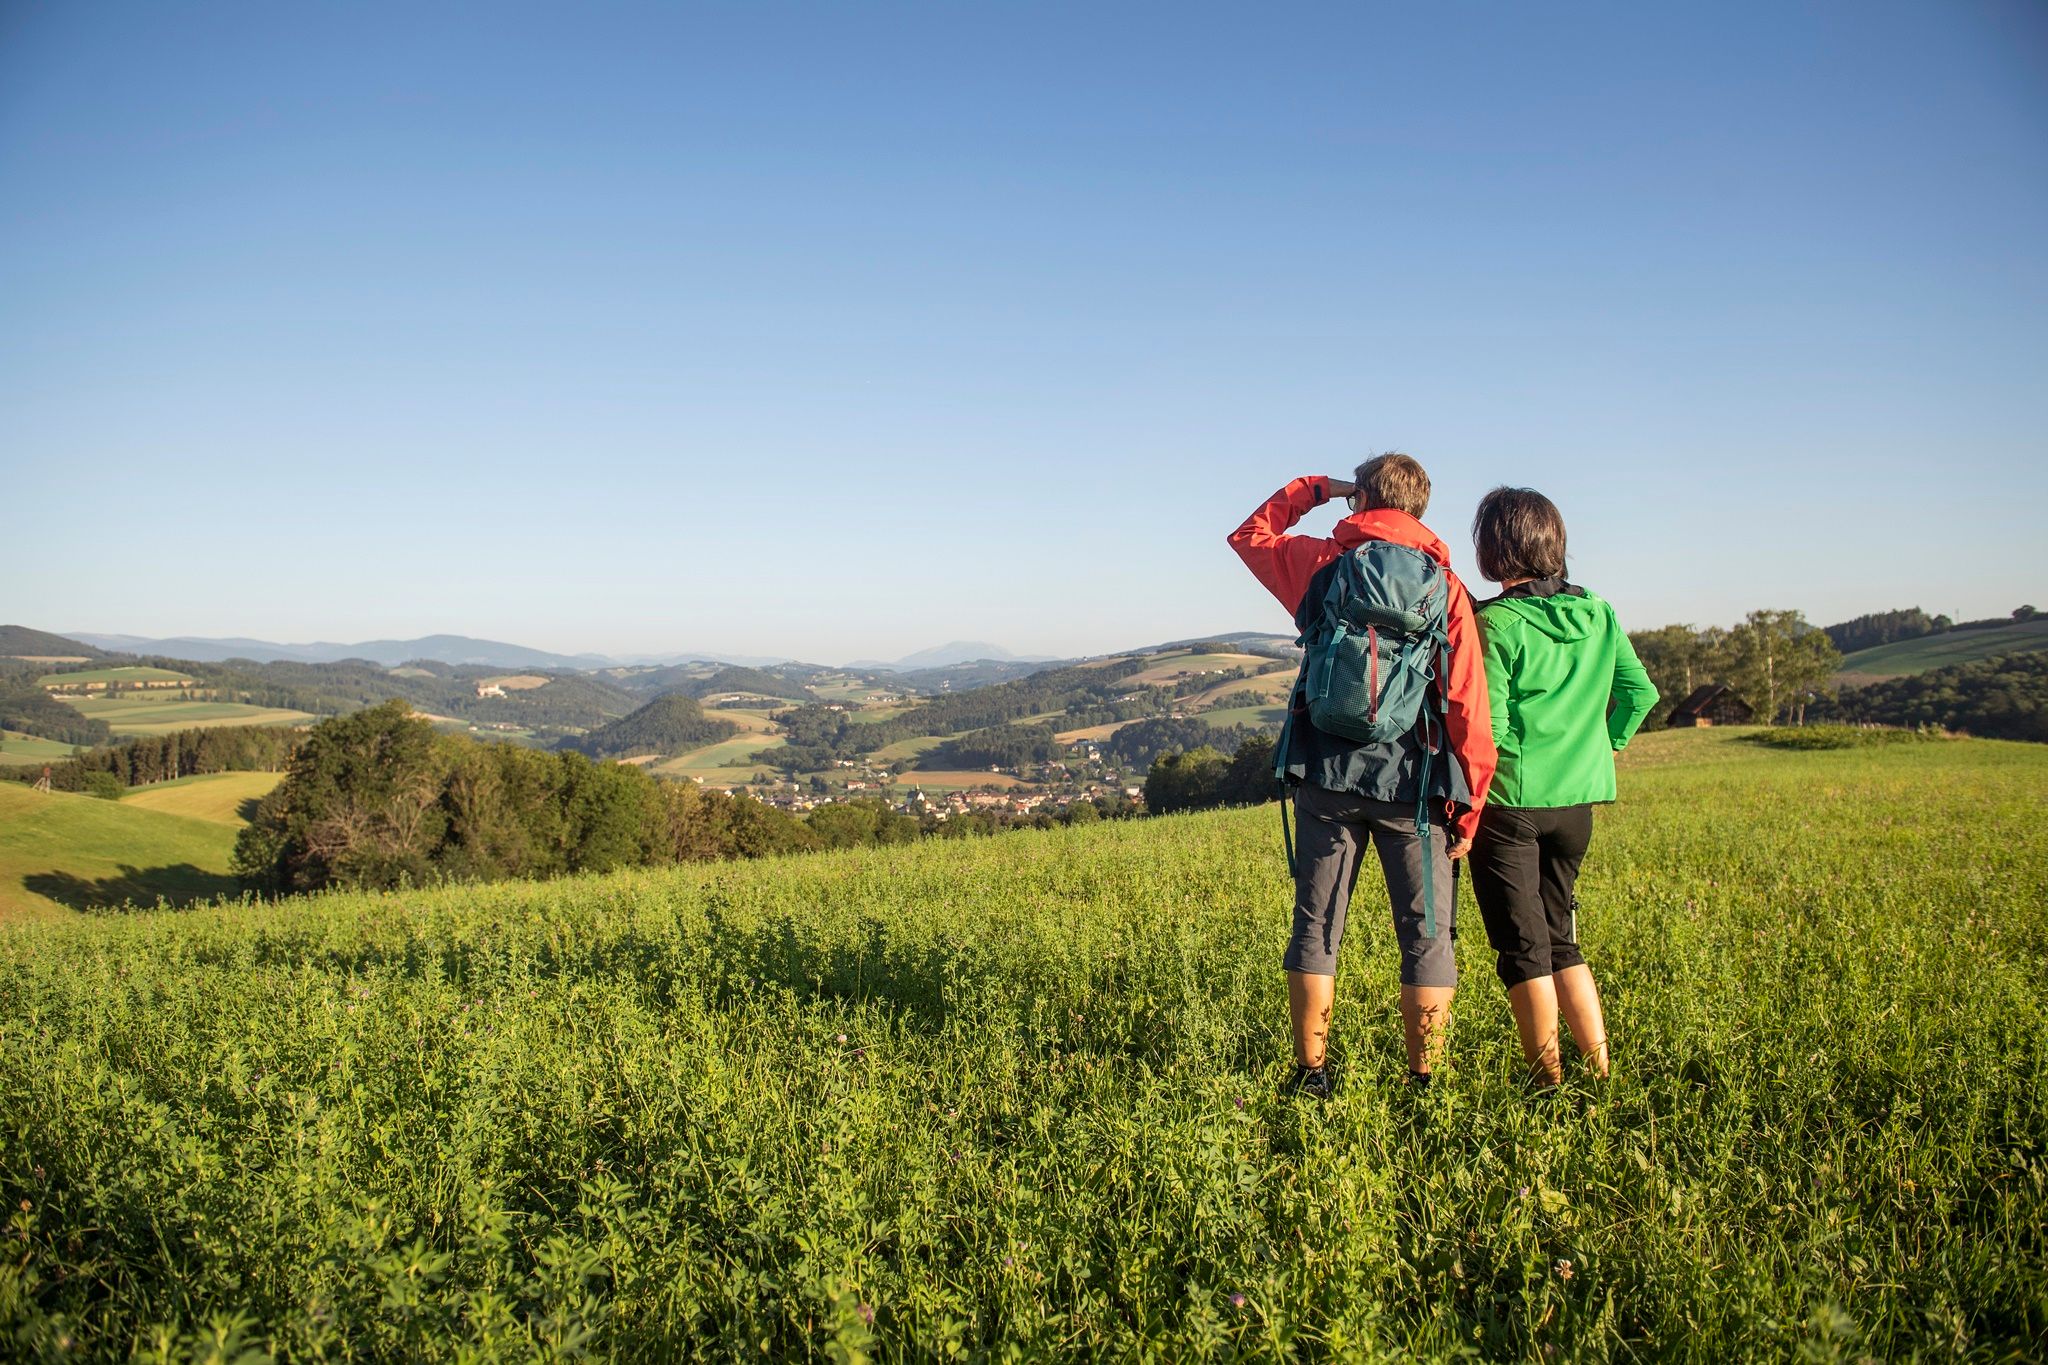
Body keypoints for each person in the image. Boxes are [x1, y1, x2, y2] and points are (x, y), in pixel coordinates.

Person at [1228, 455, 1496, 1098]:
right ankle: (1423, 1083)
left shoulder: (1323, 564)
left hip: (1326, 771)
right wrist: (1472, 803)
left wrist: (1318, 490)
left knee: (1317, 926)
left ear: (1360, 500)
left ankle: (1311, 1074)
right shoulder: (1446, 588)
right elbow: (1466, 704)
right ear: (1421, 509)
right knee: (1426, 935)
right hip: (1417, 783)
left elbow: (1250, 534)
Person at [1466, 487, 1658, 1088]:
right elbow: (1640, 694)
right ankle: (1600, 1074)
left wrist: (1462, 810)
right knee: (1562, 939)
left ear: (1494, 550)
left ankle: (1545, 1085)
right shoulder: (1599, 612)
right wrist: (1604, 746)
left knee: (1523, 953)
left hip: (1511, 806)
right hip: (1578, 807)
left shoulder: (1495, 622)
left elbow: (1487, 731)